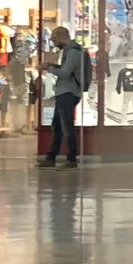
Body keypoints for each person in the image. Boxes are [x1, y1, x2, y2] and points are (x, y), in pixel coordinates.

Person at [44, 27, 91, 167]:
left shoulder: (73, 51)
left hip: (68, 93)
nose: (54, 43)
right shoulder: (70, 50)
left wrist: (49, 68)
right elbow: (67, 69)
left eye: (54, 40)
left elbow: (65, 72)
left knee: (66, 126)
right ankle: (51, 157)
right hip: (64, 92)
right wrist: (53, 65)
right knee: (57, 125)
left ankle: (71, 159)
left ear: (60, 36)